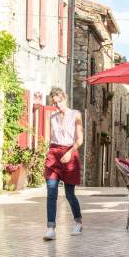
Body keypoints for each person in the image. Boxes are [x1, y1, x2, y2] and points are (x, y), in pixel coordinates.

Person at [43, 87, 84, 241]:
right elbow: (50, 140)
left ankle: (78, 222)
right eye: (55, 103)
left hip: (69, 153)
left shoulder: (76, 115)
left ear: (64, 99)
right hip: (54, 153)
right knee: (51, 191)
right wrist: (48, 157)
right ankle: (50, 228)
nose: (58, 105)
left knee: (69, 194)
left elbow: (80, 139)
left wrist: (70, 152)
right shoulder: (52, 117)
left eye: (59, 101)